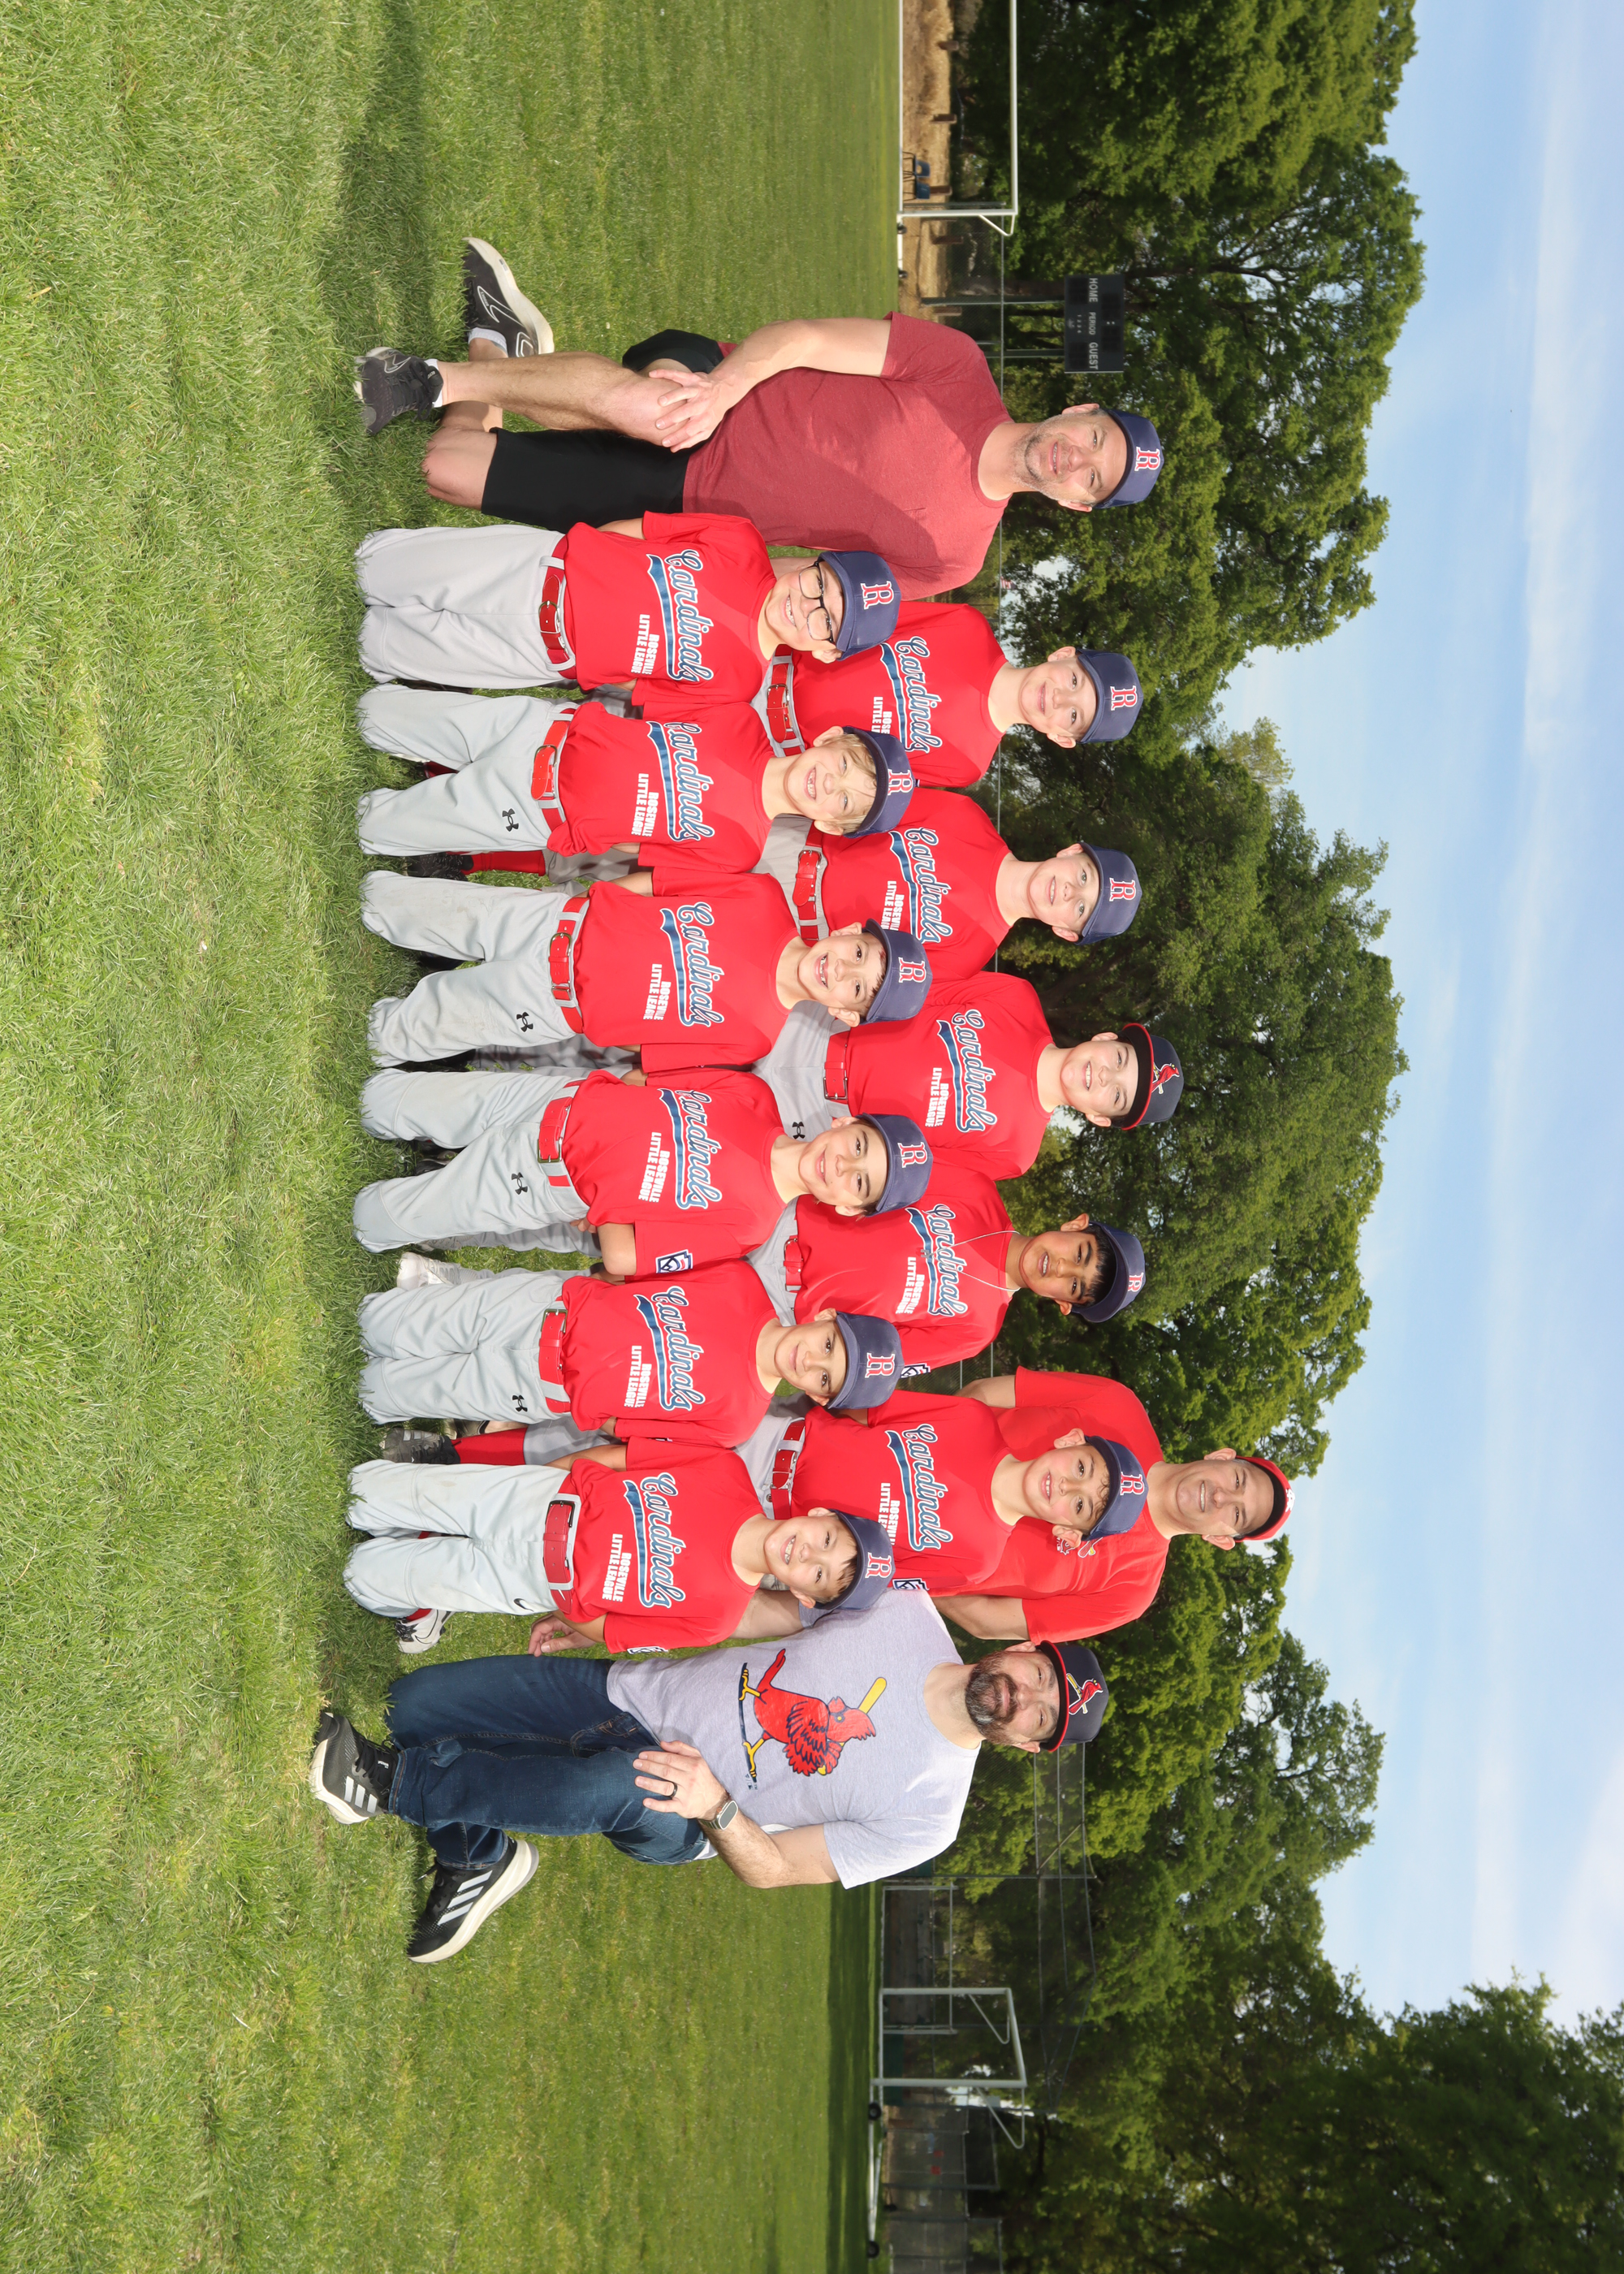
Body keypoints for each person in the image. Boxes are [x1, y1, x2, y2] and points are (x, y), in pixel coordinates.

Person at [307, 1583, 1111, 1961]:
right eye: (1041, 1676)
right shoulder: (904, 1605)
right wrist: (613, 1625)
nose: (1025, 1699)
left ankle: (387, 1785)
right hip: (627, 1693)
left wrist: (714, 1803)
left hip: (686, 1810)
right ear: (1021, 1649)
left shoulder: (930, 1814)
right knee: (413, 1704)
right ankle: (479, 1856)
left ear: (1027, 1746)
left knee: (616, 1783)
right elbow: (749, 1608)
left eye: (1043, 1718)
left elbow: (776, 1868)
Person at [353, 242, 1164, 596]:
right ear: (1079, 410)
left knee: (447, 467)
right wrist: (720, 388)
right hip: (714, 390)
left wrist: (677, 566)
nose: (1076, 459)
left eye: (1093, 479)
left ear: (1076, 504)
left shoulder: (954, 559)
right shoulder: (956, 367)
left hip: (686, 505)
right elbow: (803, 338)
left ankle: (502, 349)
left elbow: (798, 581)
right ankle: (422, 381)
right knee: (654, 411)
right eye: (1095, 440)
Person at [341, 1429, 884, 1657]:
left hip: (530, 1579)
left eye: (818, 1574)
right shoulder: (727, 1470)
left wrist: (564, 1603)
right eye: (826, 1539)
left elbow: (614, 1630)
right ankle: (404, 1524)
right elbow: (619, 1458)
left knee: (362, 1575)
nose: (808, 1554)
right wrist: (549, 1479)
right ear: (819, 1513)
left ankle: (404, 1561)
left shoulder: (717, 1619)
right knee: (363, 1490)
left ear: (803, 1596)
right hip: (539, 1499)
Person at [359, 867, 932, 1073]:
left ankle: (377, 1035)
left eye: (858, 989)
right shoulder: (763, 896)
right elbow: (662, 883)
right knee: (393, 903)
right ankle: (369, 903)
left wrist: (597, 1008)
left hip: (556, 1002)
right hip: (559, 923)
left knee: (400, 1032)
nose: (842, 969)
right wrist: (591, 906)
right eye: (860, 954)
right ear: (848, 931)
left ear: (843, 1014)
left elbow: (649, 1047)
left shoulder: (757, 1038)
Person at [352, 1062, 933, 1261]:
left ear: (846, 1208)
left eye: (860, 1185)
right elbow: (645, 1079)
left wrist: (609, 1194)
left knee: (375, 1218)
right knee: (380, 1100)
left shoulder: (751, 1226)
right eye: (859, 1147)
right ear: (844, 1123)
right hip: (555, 1097)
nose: (842, 1167)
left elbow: (625, 1255)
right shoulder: (756, 1098)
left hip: (547, 1179)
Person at [353, 1253, 908, 1447]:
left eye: (825, 1379)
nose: (810, 1361)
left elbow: (627, 1427)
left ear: (818, 1398)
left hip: (546, 1387)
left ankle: (379, 1389)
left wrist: (587, 1390)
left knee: (383, 1393)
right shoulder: (743, 1281)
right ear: (824, 1317)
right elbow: (635, 1272)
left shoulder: (738, 1421)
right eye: (828, 1345)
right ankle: (389, 1318)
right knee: (386, 1324)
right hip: (549, 1308)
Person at [352, 685, 916, 870]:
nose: (831, 784)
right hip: (542, 731)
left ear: (830, 826)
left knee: (373, 828)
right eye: (845, 765)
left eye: (845, 802)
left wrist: (590, 816)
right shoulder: (740, 718)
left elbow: (635, 847)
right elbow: (641, 709)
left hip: (541, 812)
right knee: (372, 712)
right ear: (829, 739)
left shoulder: (741, 849)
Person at [356, 514, 901, 699]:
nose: (805, 604)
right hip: (539, 568)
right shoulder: (741, 541)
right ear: (811, 563)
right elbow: (639, 532)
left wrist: (583, 656)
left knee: (374, 646)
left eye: (827, 620)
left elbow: (640, 685)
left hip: (543, 653)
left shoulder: (742, 683)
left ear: (827, 653)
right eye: (818, 583)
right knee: (372, 566)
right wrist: (581, 559)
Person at [929, 1369, 1294, 1644]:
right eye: (1237, 1481)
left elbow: (988, 1620)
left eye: (1237, 1514)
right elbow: (983, 1394)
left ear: (1220, 1539)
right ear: (1221, 1457)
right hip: (912, 1447)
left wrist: (917, 1578)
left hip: (910, 1552)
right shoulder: (1118, 1404)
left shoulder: (1131, 1593)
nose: (1221, 1497)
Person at [719, 1385, 1147, 1597]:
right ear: (1072, 1440)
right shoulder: (974, 1419)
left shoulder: (977, 1563)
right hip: (770, 1441)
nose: (1067, 1486)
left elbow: (861, 1583)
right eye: (1082, 1467)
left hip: (772, 1541)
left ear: (1068, 1533)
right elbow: (863, 1410)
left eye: (1080, 1505)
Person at [755, 971, 1183, 1179]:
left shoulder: (1017, 1153)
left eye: (1117, 1095)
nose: (1106, 1076)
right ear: (1106, 1037)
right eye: (1120, 1060)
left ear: (1100, 1118)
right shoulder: (1018, 998)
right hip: (818, 1029)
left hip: (821, 1125)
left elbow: (908, 1169)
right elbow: (910, 993)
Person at [749, 1178, 1146, 1370]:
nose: (1061, 1267)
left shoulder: (977, 1332)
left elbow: (869, 1358)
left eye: (1074, 1285)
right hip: (783, 1218)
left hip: (780, 1310)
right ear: (1075, 1226)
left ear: (1062, 1303)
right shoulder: (977, 1190)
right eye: (1079, 1254)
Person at [755, 787, 1141, 981]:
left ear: (1066, 932)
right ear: (1071, 851)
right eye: (1084, 876)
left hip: (789, 934)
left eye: (1081, 909)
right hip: (791, 843)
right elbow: (859, 807)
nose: (1071, 891)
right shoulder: (967, 818)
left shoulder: (969, 957)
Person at [749, 604, 1141, 783]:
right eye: (1074, 682)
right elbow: (854, 621)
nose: (1059, 699)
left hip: (772, 751)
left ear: (1062, 738)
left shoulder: (968, 765)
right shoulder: (968, 626)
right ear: (1063, 654)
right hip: (768, 663)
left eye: (1073, 716)